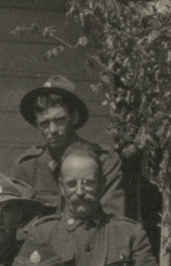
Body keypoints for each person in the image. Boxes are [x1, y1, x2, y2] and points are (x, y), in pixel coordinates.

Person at [24, 146, 158, 266]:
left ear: (102, 185)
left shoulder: (129, 233)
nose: (79, 191)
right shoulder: (42, 234)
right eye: (71, 184)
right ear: (61, 188)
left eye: (88, 183)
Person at [13, 75, 124, 216]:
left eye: (59, 120)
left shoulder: (104, 161)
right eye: (45, 123)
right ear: (37, 126)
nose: (53, 130)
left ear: (74, 117)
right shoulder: (28, 167)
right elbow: (21, 223)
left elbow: (112, 220)